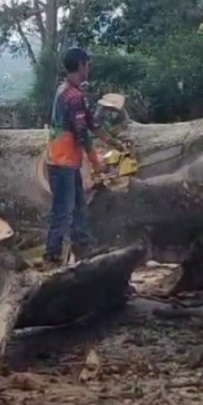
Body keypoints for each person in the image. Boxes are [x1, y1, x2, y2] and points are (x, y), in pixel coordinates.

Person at [44, 47, 121, 267]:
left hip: (67, 160)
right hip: (62, 161)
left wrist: (113, 143)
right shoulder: (72, 96)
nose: (89, 68)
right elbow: (83, 134)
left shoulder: (69, 92)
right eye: (87, 64)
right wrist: (97, 163)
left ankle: (84, 252)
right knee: (63, 212)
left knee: (79, 208)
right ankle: (52, 256)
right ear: (80, 65)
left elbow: (91, 124)